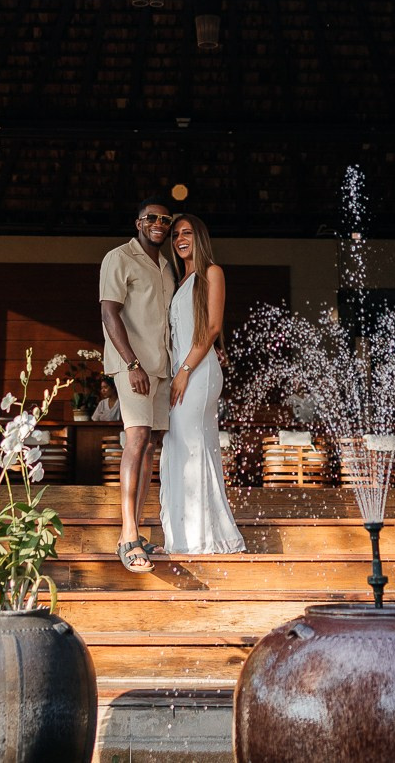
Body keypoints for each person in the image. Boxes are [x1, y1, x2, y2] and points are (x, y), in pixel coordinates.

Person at [160, 213, 245, 555]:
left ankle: (199, 538)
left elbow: (210, 328)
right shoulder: (181, 281)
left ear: (201, 238)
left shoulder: (212, 273)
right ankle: (186, 535)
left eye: (187, 232)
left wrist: (183, 371)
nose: (180, 238)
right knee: (180, 446)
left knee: (191, 445)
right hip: (183, 371)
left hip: (197, 372)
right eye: (176, 234)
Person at [99, 196, 176, 573]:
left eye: (165, 219)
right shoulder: (119, 258)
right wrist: (131, 363)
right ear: (138, 223)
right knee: (136, 438)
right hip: (133, 366)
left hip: (161, 368)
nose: (159, 223)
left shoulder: (166, 265)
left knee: (150, 446)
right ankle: (127, 535)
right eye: (151, 218)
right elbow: (108, 311)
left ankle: (138, 530)